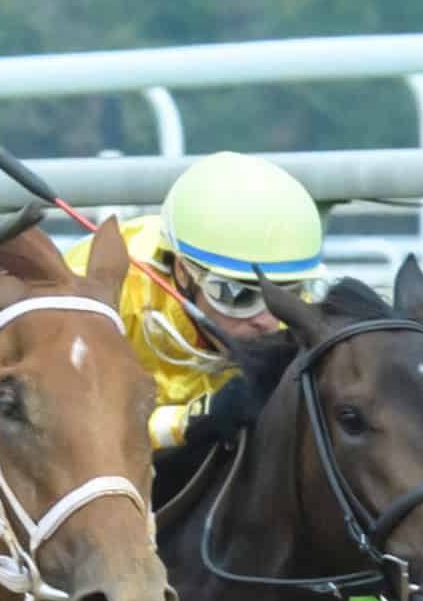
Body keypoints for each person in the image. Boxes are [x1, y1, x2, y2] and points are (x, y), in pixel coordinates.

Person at [64, 151, 326, 459]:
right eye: (238, 295)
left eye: (287, 295)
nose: (268, 321)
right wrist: (192, 419)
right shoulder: (100, 295)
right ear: (182, 272)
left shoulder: (293, 316)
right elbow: (64, 427)